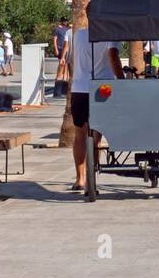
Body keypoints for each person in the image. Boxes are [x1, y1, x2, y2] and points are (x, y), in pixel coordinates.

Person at [69, 24, 123, 192]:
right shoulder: (110, 34)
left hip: (79, 88)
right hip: (102, 89)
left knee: (80, 135)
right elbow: (113, 57)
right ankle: (91, 181)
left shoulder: (78, 35)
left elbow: (73, 60)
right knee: (96, 136)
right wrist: (123, 81)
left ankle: (81, 178)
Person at [51, 18, 70, 96]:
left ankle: (64, 78)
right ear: (61, 21)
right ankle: (58, 76)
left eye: (66, 21)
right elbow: (55, 40)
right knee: (61, 63)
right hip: (60, 47)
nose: (65, 22)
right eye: (64, 21)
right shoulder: (57, 29)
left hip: (66, 47)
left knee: (66, 63)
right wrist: (56, 49)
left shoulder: (67, 29)